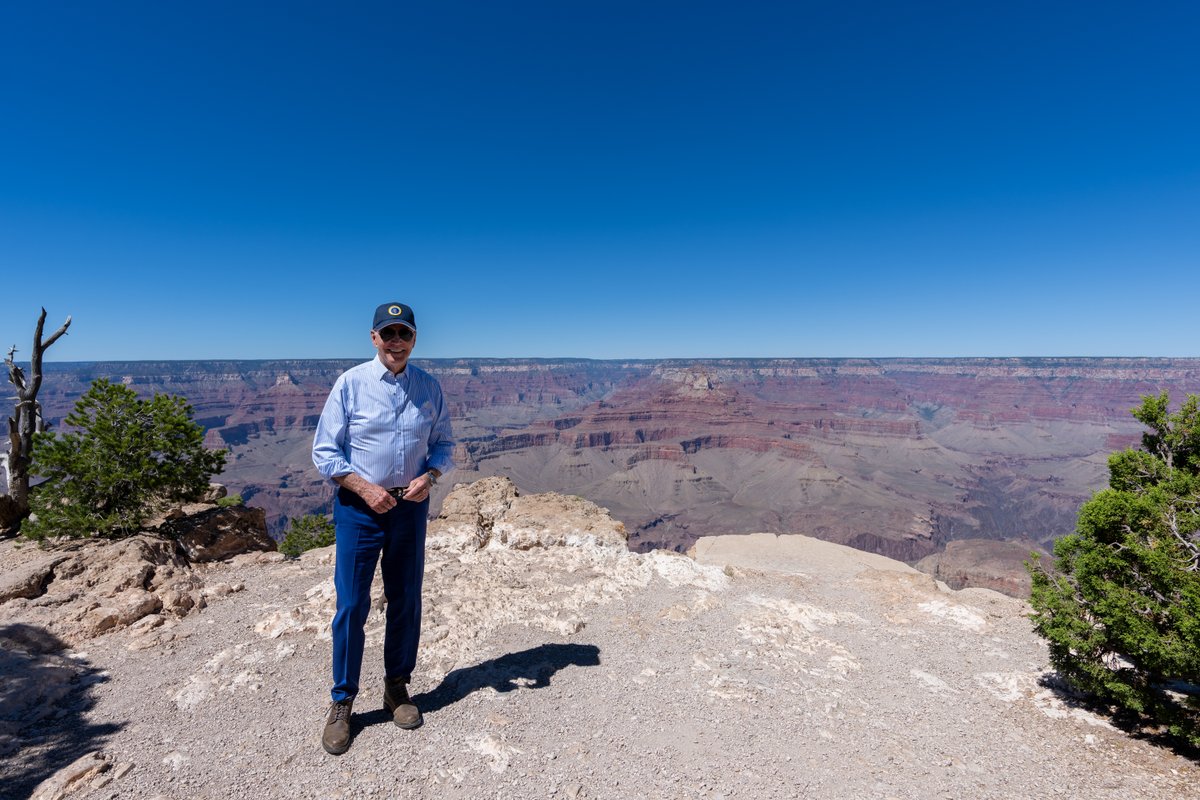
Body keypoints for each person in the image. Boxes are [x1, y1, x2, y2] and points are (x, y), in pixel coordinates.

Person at [311, 301, 454, 755]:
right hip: (359, 508)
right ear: (374, 338)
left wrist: (430, 477)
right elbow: (325, 452)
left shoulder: (429, 387)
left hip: (409, 507)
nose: (396, 342)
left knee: (406, 598)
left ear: (414, 339)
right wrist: (363, 487)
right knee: (352, 603)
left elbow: (445, 443)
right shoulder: (350, 384)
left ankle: (397, 686)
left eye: (404, 334)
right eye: (387, 334)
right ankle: (343, 701)